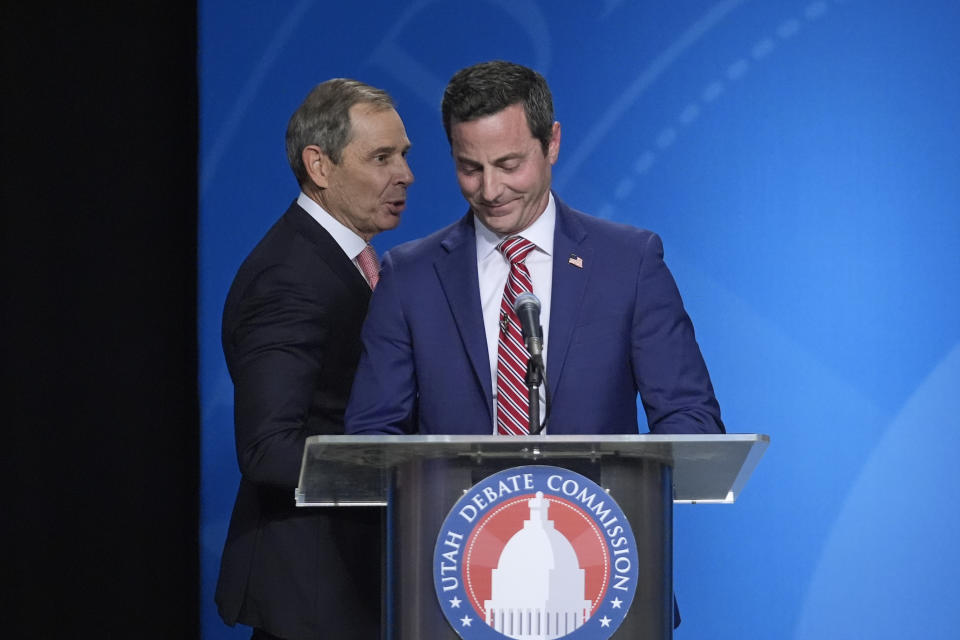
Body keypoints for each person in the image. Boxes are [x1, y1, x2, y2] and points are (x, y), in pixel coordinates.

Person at [345, 60, 723, 439]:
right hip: (457, 500)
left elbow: (690, 418)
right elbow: (372, 437)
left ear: (552, 144)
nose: (490, 190)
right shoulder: (410, 276)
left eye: (509, 165)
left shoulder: (629, 263)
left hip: (587, 498)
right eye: (470, 168)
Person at [216, 78, 414, 640]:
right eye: (381, 157)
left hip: (351, 585)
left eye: (403, 154)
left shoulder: (346, 259)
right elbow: (268, 449)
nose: (405, 174)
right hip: (316, 592)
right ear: (319, 166)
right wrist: (408, 467)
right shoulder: (290, 276)